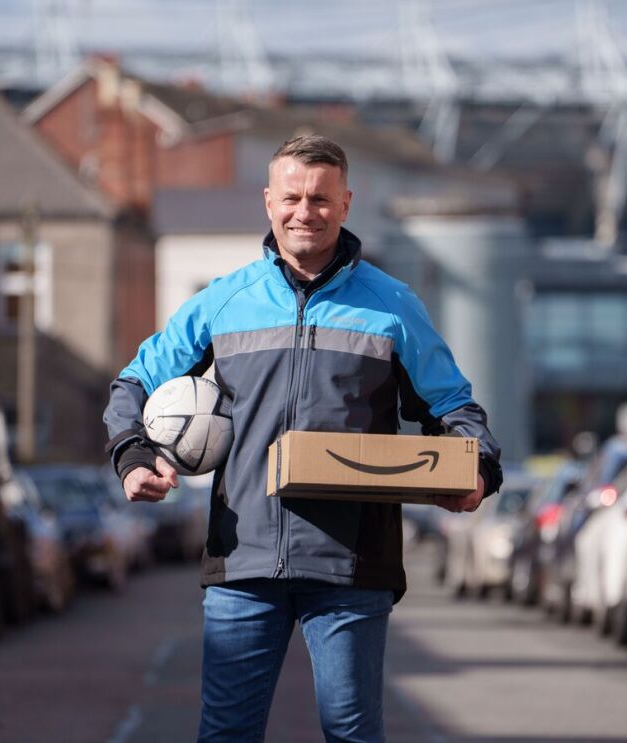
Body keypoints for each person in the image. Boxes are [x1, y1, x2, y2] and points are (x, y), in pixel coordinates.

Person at [103, 134, 503, 742]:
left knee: (350, 732)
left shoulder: (392, 306)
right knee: (226, 734)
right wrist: (134, 455)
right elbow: (134, 381)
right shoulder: (224, 301)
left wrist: (477, 472)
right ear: (269, 202)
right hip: (242, 560)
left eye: (320, 198)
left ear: (345, 203)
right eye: (291, 197)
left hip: (351, 565)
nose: (304, 212)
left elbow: (454, 407)